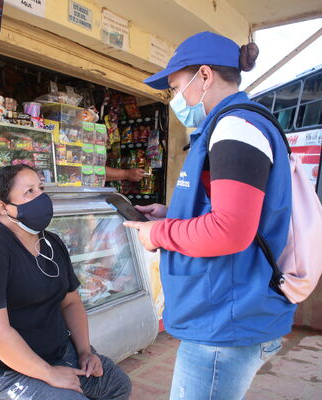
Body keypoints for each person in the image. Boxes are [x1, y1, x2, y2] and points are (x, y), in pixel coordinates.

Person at [124, 31, 296, 400]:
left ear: (204, 76)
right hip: (222, 312)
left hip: (225, 319)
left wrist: (158, 235)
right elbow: (234, 210)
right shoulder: (229, 126)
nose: (174, 99)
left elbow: (231, 230)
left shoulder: (236, 129)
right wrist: (172, 214)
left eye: (175, 87)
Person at [0, 164, 131, 400]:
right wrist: (48, 373)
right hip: (2, 371)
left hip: (58, 353)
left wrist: (84, 351)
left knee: (117, 385)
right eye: (29, 192)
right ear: (3, 207)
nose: (42, 197)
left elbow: (71, 302)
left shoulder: (51, 242)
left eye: (41, 188)